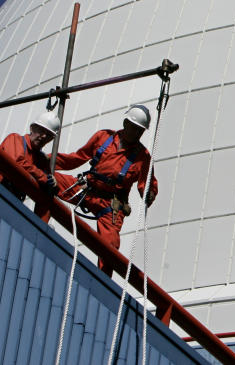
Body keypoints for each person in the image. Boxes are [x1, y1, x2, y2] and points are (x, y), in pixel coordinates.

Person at [55, 104, 158, 273]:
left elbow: (146, 184)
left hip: (111, 207)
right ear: (126, 124)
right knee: (46, 178)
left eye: (141, 130)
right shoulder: (103, 137)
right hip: (86, 190)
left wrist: (149, 194)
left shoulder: (142, 157)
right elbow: (77, 158)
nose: (138, 133)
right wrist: (47, 161)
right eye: (135, 128)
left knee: (110, 247)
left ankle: (102, 281)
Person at [0, 110, 62, 215]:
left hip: (13, 204)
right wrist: (44, 177)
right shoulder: (15, 139)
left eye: (49, 135)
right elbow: (17, 162)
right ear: (32, 128)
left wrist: (53, 183)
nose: (44, 136)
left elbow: (49, 189)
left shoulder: (41, 160)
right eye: (42, 130)